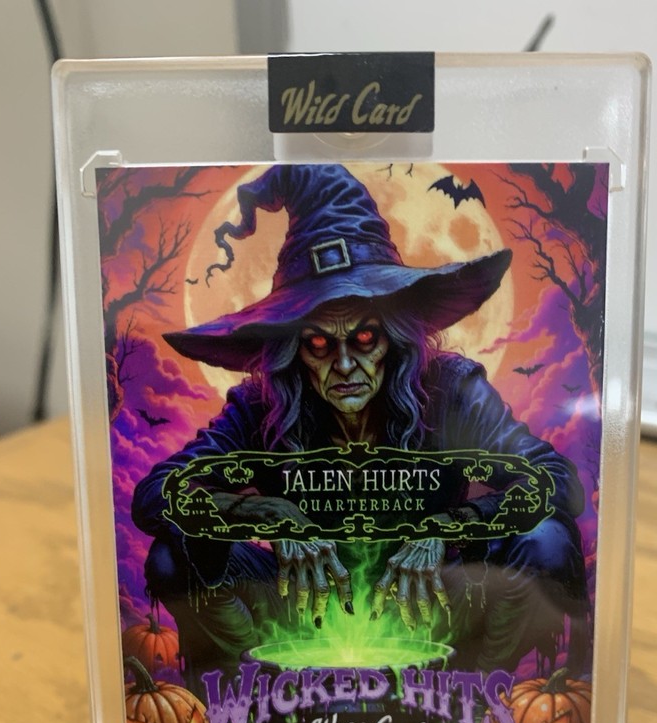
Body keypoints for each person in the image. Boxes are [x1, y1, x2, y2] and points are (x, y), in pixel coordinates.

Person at [132, 164, 590, 688]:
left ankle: (478, 693)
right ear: (294, 350)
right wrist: (269, 514)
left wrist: (446, 527)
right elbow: (155, 495)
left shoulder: (451, 388)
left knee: (546, 539)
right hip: (300, 605)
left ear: (394, 336)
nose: (345, 365)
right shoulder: (261, 403)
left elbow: (557, 483)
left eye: (365, 339)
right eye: (319, 344)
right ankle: (252, 691)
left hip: (429, 602)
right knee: (175, 550)